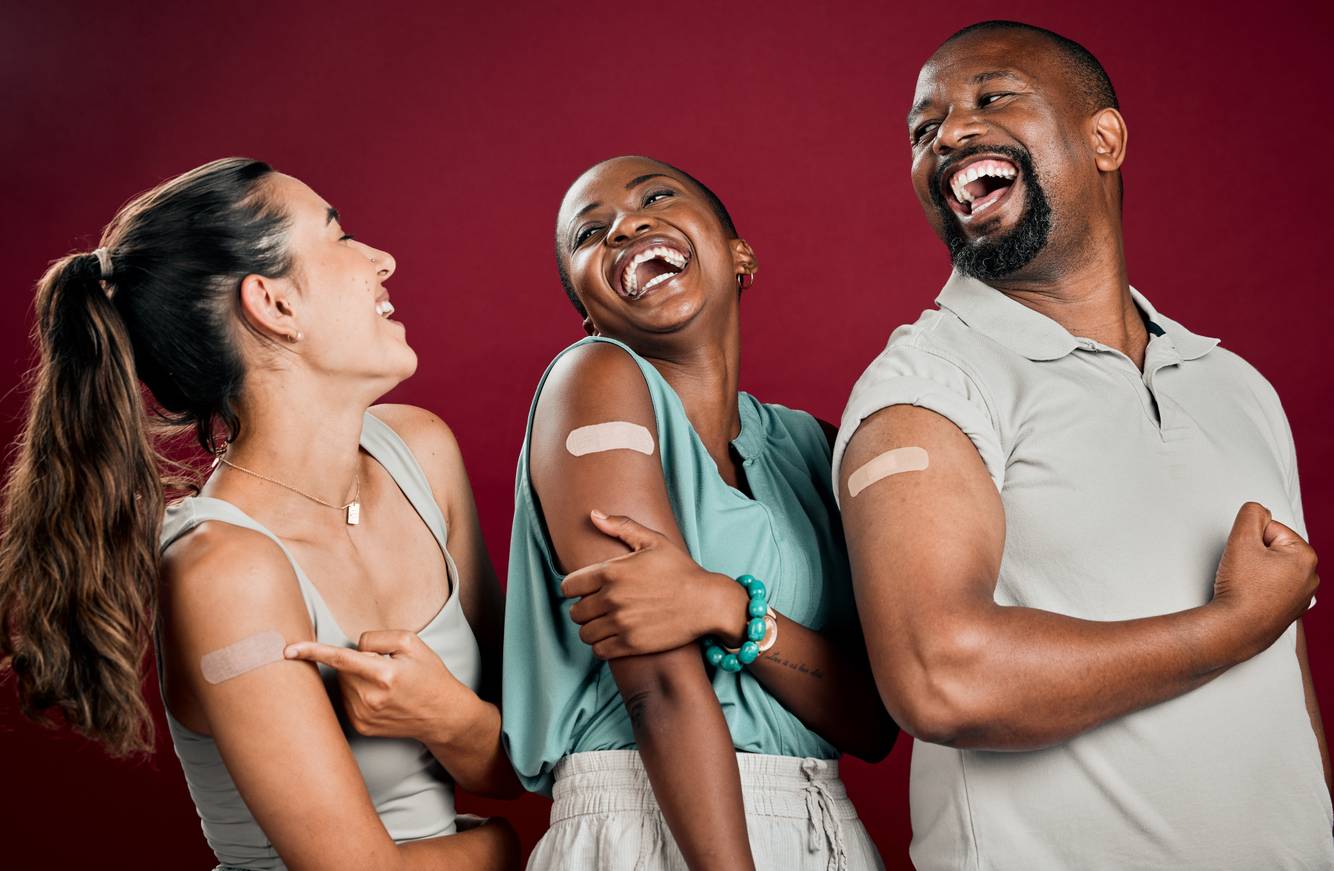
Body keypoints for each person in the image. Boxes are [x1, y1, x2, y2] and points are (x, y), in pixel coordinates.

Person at [833, 20, 1332, 870]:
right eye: (924, 129)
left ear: (1105, 138)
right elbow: (941, 676)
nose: (949, 133)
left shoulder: (1235, 386)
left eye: (992, 98)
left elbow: (1284, 677)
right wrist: (1231, 624)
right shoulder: (927, 384)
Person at [0, 158, 521, 870]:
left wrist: (445, 715)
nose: (383, 260)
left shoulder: (422, 456)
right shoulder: (224, 569)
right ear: (273, 305)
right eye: (340, 238)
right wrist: (500, 845)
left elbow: (520, 759)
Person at [503, 155, 894, 870]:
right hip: (650, 823)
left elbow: (870, 720)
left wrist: (724, 605)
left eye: (656, 196)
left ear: (740, 255)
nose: (627, 226)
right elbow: (658, 687)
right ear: (589, 311)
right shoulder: (592, 377)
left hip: (824, 825)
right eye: (592, 233)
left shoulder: (812, 447)